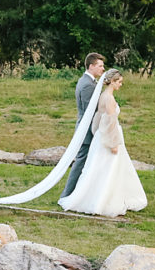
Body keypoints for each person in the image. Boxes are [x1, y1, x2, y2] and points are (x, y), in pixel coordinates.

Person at [58, 69, 147, 217]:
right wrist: (113, 144)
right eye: (119, 82)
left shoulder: (102, 96)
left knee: (97, 169)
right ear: (112, 82)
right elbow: (109, 122)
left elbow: (98, 120)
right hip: (108, 138)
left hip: (100, 137)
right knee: (108, 170)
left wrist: (97, 135)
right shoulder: (109, 99)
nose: (120, 85)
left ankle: (95, 197)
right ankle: (103, 201)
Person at [61, 52, 105, 197]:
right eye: (100, 66)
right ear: (91, 66)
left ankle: (84, 192)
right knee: (80, 162)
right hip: (87, 130)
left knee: (88, 162)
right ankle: (67, 194)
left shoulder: (88, 81)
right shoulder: (87, 85)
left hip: (88, 129)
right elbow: (90, 112)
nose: (102, 69)